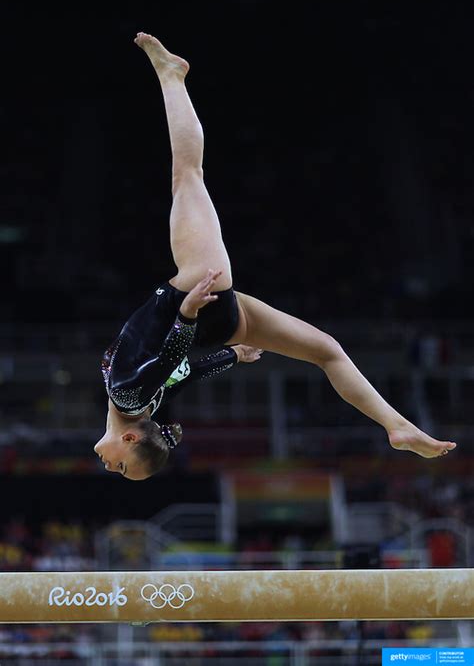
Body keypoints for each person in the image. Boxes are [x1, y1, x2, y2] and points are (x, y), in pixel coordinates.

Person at [94, 33, 456, 481]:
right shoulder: (129, 400)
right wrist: (187, 314)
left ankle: (396, 425)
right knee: (187, 175)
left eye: (119, 471)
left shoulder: (143, 402)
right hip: (199, 290)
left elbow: (180, 374)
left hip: (223, 320)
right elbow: (171, 361)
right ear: (131, 439)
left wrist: (233, 357)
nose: (110, 467)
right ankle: (172, 77)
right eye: (123, 468)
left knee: (328, 352)